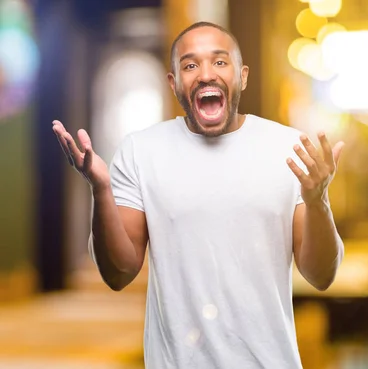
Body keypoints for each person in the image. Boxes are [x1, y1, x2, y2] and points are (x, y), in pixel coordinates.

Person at [52, 21, 345, 368]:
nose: (206, 74)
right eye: (190, 65)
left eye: (220, 62)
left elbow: (321, 275)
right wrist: (100, 189)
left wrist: (317, 201)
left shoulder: (290, 148)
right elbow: (119, 274)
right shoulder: (140, 152)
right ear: (174, 84)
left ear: (243, 76)